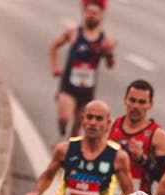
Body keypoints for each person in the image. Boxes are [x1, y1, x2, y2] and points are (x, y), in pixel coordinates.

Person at [50, 0, 116, 137]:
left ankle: (69, 153)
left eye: (95, 13)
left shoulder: (105, 40)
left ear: (101, 16)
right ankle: (62, 131)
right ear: (84, 13)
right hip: (68, 84)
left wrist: (109, 53)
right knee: (64, 118)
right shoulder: (73, 32)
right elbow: (54, 46)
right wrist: (55, 67)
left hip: (87, 89)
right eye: (89, 12)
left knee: (77, 128)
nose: (91, 16)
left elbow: (110, 65)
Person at [108, 79, 165, 195]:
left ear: (150, 104)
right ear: (125, 99)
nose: (136, 106)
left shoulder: (157, 135)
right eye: (132, 100)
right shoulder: (111, 126)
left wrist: (143, 159)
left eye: (142, 102)